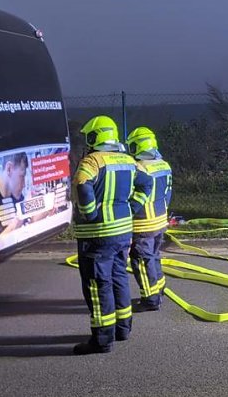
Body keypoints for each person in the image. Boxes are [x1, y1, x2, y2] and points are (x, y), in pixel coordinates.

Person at [72, 115, 153, 355]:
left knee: (98, 285)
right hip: (123, 233)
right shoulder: (128, 160)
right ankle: (122, 329)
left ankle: (102, 339)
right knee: (119, 279)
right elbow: (146, 183)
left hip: (97, 235)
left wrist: (89, 213)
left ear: (95, 137)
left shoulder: (91, 161)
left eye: (88, 137)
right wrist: (132, 208)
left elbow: (82, 183)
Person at [126, 126, 173, 312]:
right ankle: (159, 288)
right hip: (160, 220)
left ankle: (150, 299)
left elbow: (134, 195)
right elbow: (168, 193)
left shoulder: (139, 168)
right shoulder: (164, 165)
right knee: (154, 256)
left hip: (143, 222)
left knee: (141, 260)